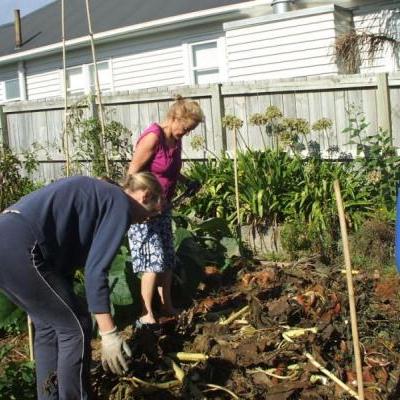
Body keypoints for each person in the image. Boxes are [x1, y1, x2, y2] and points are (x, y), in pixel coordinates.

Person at [0, 172, 163, 400]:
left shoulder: (101, 194)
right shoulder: (120, 203)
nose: (147, 220)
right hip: (25, 243)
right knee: (76, 326)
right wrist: (109, 333)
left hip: (7, 238)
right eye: (153, 213)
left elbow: (66, 254)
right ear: (145, 195)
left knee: (49, 326)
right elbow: (96, 271)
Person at [127, 95, 204, 326]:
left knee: (167, 259)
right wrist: (143, 202)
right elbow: (132, 173)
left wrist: (186, 180)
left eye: (190, 130)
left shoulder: (175, 139)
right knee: (152, 261)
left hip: (164, 207)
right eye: (185, 128)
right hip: (145, 210)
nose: (186, 133)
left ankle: (167, 305)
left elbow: (169, 170)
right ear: (174, 118)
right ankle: (146, 312)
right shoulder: (153, 138)